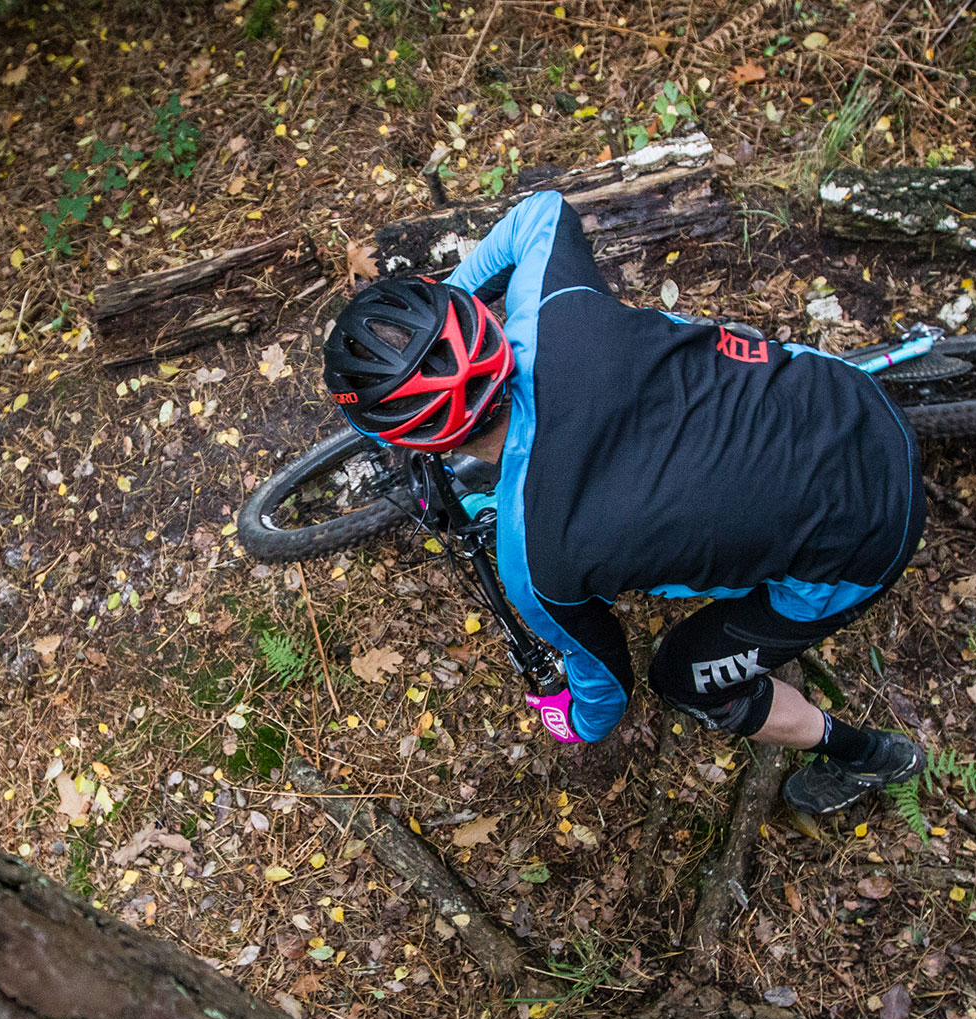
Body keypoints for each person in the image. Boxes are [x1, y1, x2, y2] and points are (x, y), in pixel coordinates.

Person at [321, 190, 925, 816]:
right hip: (846, 396)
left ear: (412, 438)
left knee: (684, 679)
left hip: (864, 545)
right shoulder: (556, 310)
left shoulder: (537, 563)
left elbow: (605, 692)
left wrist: (572, 724)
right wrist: (457, 298)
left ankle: (866, 754)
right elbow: (543, 212)